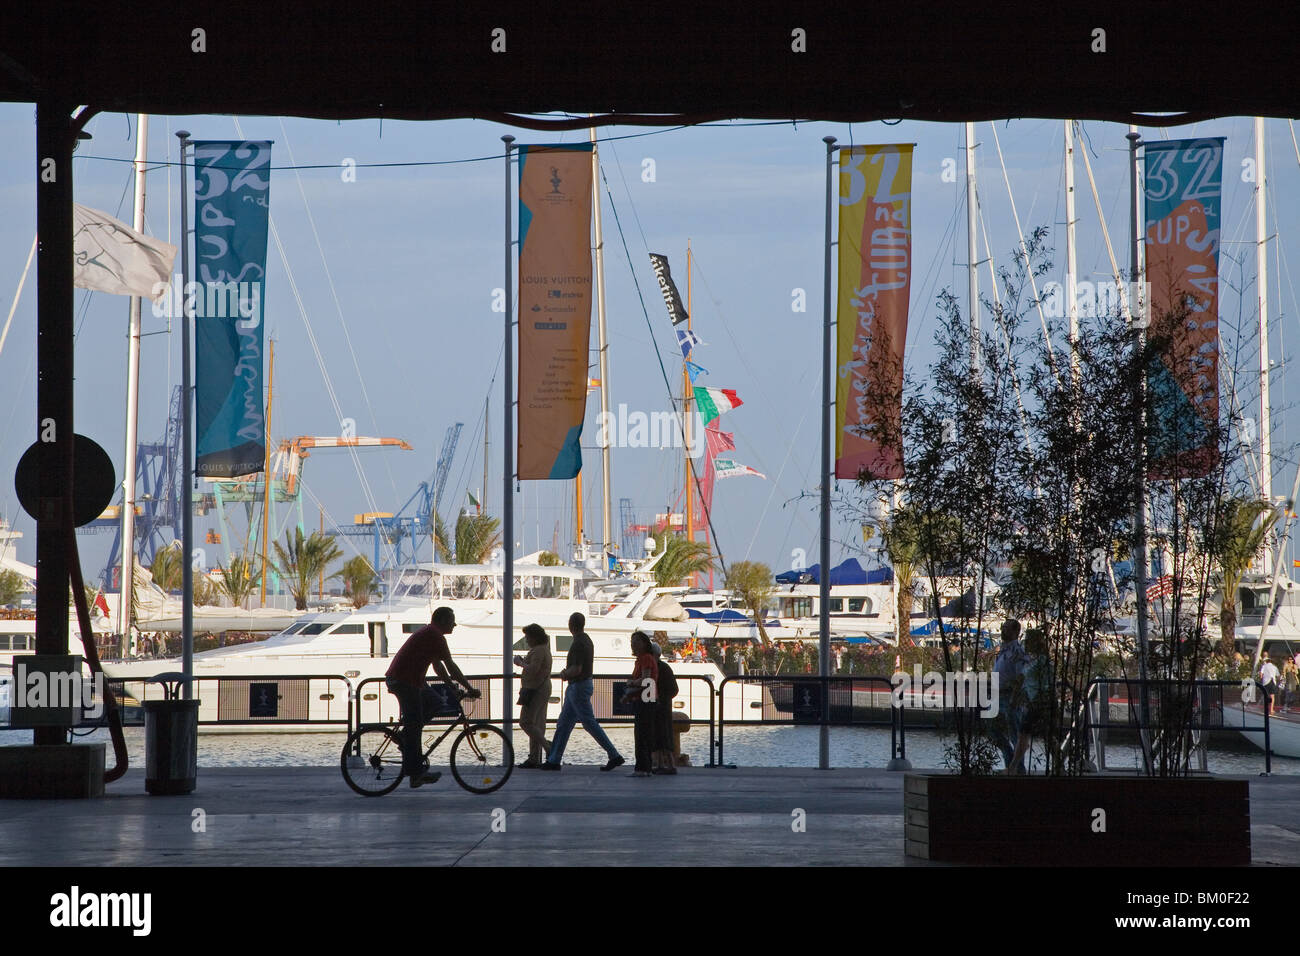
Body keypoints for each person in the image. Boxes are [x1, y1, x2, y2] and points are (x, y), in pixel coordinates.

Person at [385, 606, 481, 788]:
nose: (455, 624)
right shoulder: (435, 636)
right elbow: (450, 666)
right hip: (404, 681)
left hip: (412, 681)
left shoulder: (430, 633)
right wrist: (469, 687)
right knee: (414, 725)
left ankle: (405, 738)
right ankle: (416, 772)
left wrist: (452, 687)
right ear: (443, 620)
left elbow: (438, 666)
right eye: (452, 620)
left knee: (436, 703)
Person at [540, 612, 626, 771]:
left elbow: (577, 669)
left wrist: (564, 674)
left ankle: (614, 755)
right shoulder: (587, 641)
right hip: (581, 686)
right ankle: (554, 759)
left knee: (587, 723)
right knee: (564, 724)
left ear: (570, 625)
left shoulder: (578, 643)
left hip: (577, 686)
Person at [1009, 629, 1050, 774]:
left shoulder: (1042, 661)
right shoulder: (1033, 660)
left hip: (1038, 702)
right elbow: (1026, 681)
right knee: (1044, 736)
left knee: (1023, 735)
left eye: (1028, 640)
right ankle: (1014, 767)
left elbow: (1046, 682)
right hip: (1032, 701)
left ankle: (1013, 768)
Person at [990, 618, 1027, 774]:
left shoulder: (1017, 652)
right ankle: (1010, 761)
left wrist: (1015, 696)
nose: (1002, 631)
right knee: (992, 729)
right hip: (998, 695)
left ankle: (1016, 768)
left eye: (1006, 628)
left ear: (1015, 632)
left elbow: (1021, 676)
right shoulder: (1003, 650)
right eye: (1002, 627)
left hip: (1009, 696)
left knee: (1015, 733)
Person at [513, 623, 553, 767]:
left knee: (526, 722)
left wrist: (520, 663)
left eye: (528, 637)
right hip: (542, 687)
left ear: (535, 637)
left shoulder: (538, 651)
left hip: (535, 689)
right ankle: (534, 757)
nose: (527, 640)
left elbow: (534, 669)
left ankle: (548, 747)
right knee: (537, 724)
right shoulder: (544, 650)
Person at [622, 631, 659, 777]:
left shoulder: (646, 659)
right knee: (643, 733)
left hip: (646, 700)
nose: (633, 644)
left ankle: (642, 768)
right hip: (644, 699)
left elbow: (645, 680)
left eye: (637, 641)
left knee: (642, 734)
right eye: (632, 641)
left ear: (644, 644)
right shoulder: (641, 660)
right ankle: (645, 767)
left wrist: (631, 683)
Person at [650, 642, 678, 774]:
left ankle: (668, 765)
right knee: (661, 735)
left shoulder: (661, 668)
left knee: (663, 735)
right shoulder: (664, 667)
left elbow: (673, 689)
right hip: (662, 704)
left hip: (661, 705)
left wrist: (661, 698)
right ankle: (663, 765)